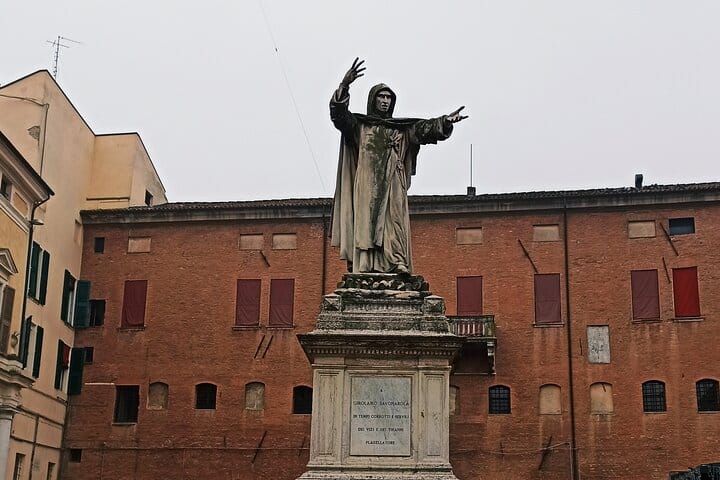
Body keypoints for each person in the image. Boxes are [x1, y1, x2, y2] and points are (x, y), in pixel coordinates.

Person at [330, 58, 467, 274]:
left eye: (388, 98)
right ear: (373, 100)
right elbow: (339, 116)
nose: (385, 101)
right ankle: (366, 264)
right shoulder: (360, 126)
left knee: (394, 219)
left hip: (394, 179)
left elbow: (423, 130)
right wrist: (344, 85)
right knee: (367, 222)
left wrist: (445, 122)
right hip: (367, 182)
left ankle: (396, 261)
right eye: (381, 97)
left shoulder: (401, 129)